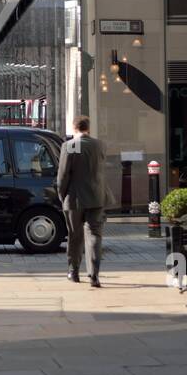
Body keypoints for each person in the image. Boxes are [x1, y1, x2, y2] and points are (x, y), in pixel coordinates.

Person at [57, 115, 107, 287]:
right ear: (88, 128)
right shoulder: (99, 144)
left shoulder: (71, 145)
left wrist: (61, 194)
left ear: (74, 127)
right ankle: (94, 275)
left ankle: (74, 271)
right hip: (96, 196)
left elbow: (63, 175)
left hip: (75, 198)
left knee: (75, 235)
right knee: (95, 235)